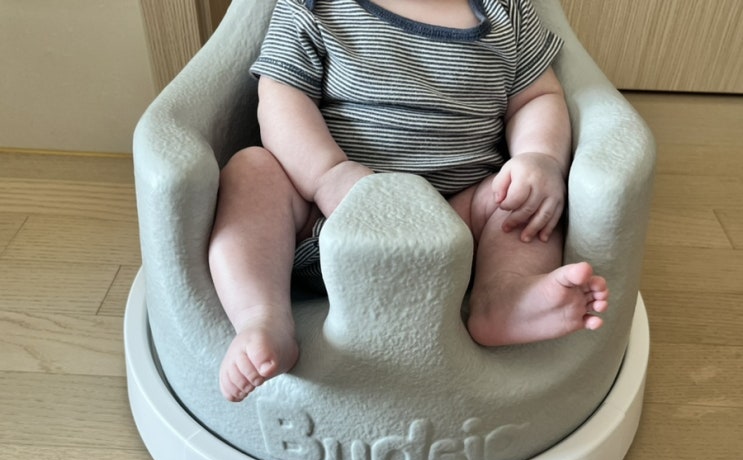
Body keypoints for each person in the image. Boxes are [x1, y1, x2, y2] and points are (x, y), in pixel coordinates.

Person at [208, 0, 610, 402]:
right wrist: (328, 176)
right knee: (251, 172)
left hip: (456, 227)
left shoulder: (506, 12)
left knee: (524, 201)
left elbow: (536, 99)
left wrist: (539, 158)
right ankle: (262, 318)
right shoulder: (313, 8)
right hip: (326, 219)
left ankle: (503, 296)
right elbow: (281, 99)